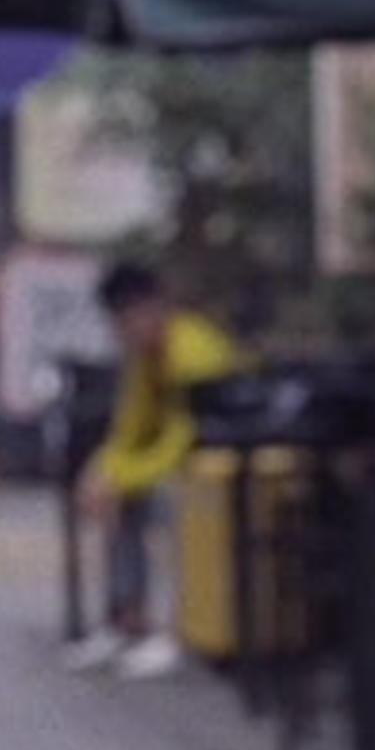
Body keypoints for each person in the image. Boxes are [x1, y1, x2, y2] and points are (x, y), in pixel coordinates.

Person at [67, 259, 247, 679]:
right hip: (186, 467)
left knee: (168, 501)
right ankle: (125, 620)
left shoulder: (193, 351)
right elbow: (130, 429)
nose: (122, 332)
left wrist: (122, 477)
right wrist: (103, 473)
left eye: (127, 319)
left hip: (221, 471)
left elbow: (183, 439)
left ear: (154, 307)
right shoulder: (144, 359)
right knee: (122, 502)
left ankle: (174, 630)